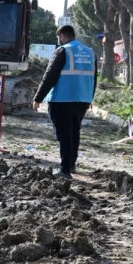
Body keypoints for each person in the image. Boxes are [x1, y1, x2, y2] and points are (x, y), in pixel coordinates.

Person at [32, 25, 98, 178]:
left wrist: (38, 98)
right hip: (82, 99)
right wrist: (90, 97)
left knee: (64, 135)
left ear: (61, 36)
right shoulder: (90, 52)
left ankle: (65, 170)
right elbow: (94, 78)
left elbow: (49, 76)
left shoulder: (63, 51)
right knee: (74, 132)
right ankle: (71, 165)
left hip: (62, 99)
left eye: (58, 38)